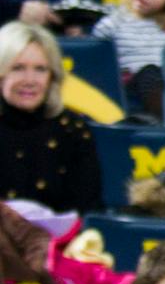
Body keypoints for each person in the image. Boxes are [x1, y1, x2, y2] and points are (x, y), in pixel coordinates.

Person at [0, 16, 98, 208]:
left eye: (40, 69)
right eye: (18, 68)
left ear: (52, 76)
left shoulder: (73, 130)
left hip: (60, 237)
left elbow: (86, 209)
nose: (30, 80)